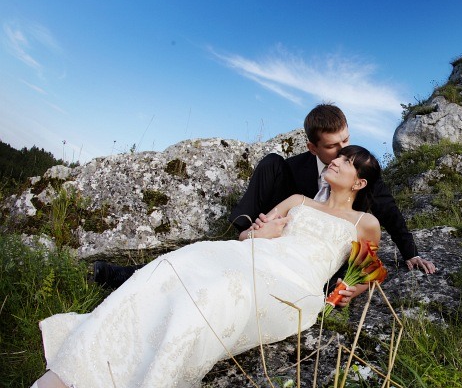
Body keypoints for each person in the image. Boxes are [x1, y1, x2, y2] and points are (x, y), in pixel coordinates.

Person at [25, 146, 382, 388]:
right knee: (173, 265)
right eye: (340, 156)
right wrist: (263, 234)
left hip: (292, 287)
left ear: (359, 182)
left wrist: (354, 289)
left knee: (213, 296)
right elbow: (248, 239)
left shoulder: (365, 222)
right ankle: (69, 372)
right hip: (252, 257)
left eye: (348, 161)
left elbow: (367, 270)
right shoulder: (297, 201)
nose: (336, 160)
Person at [93, 104, 436, 293]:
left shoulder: (357, 173)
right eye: (333, 147)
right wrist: (255, 229)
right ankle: (136, 275)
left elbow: (387, 214)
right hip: (274, 234)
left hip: (314, 265)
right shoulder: (297, 175)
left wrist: (411, 253)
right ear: (312, 147)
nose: (342, 151)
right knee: (271, 163)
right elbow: (287, 201)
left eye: (345, 140)